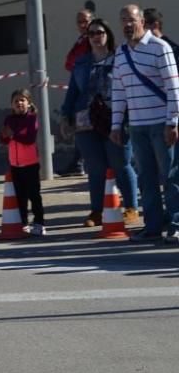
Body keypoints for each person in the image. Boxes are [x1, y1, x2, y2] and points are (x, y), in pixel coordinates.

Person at [110, 4, 179, 243]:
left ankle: (176, 223)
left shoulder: (160, 48)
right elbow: (118, 91)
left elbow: (173, 87)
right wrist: (116, 125)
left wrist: (173, 121)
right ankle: (152, 226)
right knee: (146, 178)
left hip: (161, 124)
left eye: (131, 19)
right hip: (137, 126)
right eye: (123, 20)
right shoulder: (120, 53)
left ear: (142, 21)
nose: (127, 25)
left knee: (171, 175)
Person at [60, 18, 139, 227]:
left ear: (108, 35)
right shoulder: (82, 62)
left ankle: (132, 207)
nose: (96, 36)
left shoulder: (120, 58)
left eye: (100, 32)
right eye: (92, 33)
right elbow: (74, 91)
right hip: (86, 119)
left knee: (121, 163)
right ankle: (97, 210)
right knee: (95, 167)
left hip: (116, 117)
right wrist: (66, 115)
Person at [0, 89, 45, 235]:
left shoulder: (32, 118)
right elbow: (4, 139)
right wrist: (5, 135)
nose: (19, 103)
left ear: (28, 103)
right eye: (16, 101)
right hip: (15, 164)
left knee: (34, 194)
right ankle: (23, 222)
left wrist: (13, 134)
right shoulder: (8, 119)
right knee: (20, 196)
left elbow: (29, 138)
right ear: (11, 105)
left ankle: (39, 223)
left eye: (22, 100)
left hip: (30, 163)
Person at [58, 8, 95, 177]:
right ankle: (77, 162)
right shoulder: (81, 40)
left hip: (89, 93)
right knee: (79, 127)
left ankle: (81, 163)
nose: (82, 25)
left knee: (85, 128)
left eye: (85, 21)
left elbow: (78, 62)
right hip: (78, 87)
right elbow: (69, 62)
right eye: (79, 22)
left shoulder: (91, 41)